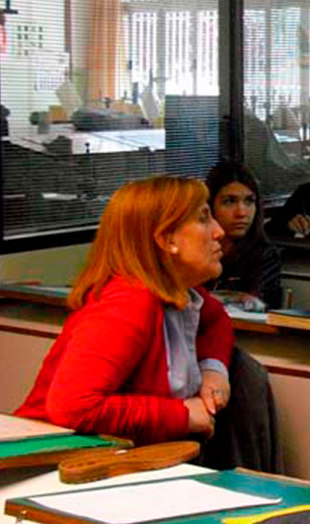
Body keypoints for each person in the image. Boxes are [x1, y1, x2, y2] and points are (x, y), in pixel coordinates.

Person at [15, 177, 282, 471]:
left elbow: (216, 318)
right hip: (51, 466)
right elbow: (73, 406)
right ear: (167, 240)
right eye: (204, 219)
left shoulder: (178, 292)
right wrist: (182, 414)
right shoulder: (129, 302)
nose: (218, 232)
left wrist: (214, 371)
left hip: (117, 463)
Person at [205, 160, 283, 310]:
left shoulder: (264, 254)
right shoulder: (196, 248)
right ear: (209, 206)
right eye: (229, 201)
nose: (241, 213)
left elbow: (255, 306)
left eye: (249, 201)